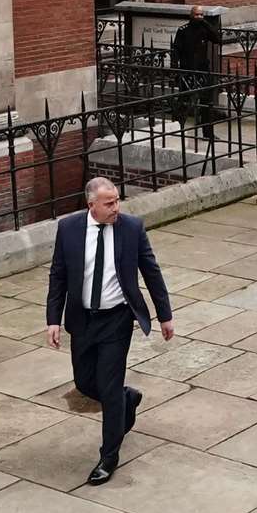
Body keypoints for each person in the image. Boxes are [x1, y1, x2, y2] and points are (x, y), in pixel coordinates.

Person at [46, 178, 176, 484]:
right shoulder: (69, 229)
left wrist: (165, 315)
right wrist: (53, 319)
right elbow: (58, 275)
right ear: (92, 205)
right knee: (85, 382)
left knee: (108, 383)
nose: (116, 207)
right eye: (109, 203)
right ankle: (126, 400)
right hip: (82, 319)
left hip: (117, 319)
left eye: (117, 201)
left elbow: (151, 271)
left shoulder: (132, 228)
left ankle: (109, 455)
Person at [171, 5, 221, 139]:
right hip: (187, 70)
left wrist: (206, 23)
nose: (199, 17)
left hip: (202, 71)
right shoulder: (183, 30)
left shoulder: (204, 29)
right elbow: (175, 50)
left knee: (207, 103)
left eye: (201, 15)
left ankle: (208, 133)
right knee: (184, 101)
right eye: (197, 15)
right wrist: (175, 68)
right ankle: (175, 128)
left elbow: (217, 38)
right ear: (191, 16)